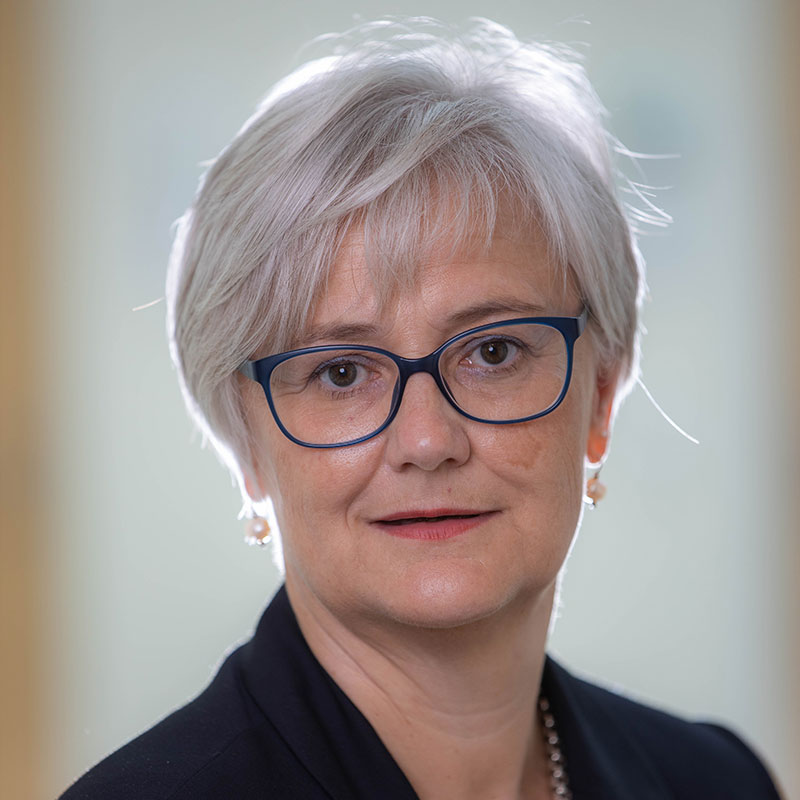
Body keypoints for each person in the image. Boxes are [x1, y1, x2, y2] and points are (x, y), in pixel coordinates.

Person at [60, 17, 782, 800]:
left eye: (493, 352)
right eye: (341, 372)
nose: (428, 440)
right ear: (248, 443)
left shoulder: (719, 783)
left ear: (601, 395)